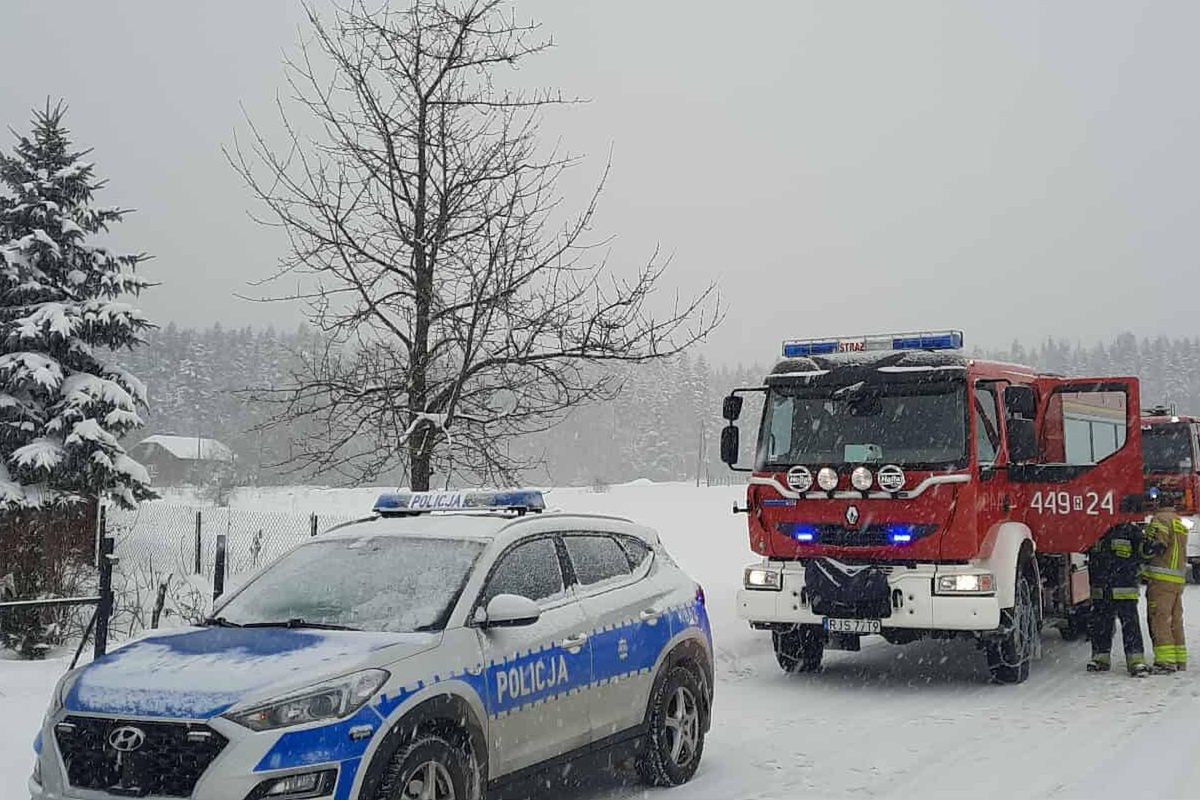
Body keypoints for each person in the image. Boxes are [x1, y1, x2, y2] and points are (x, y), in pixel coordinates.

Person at [1086, 524, 1150, 677]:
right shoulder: (1094, 528)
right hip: (1102, 590)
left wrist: (1149, 547)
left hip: (1124, 589)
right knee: (1101, 624)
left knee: (1130, 625)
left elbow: (1143, 552)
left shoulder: (1130, 530)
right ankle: (1100, 658)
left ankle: (1135, 661)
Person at [1142, 489, 1189, 673]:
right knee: (1175, 620)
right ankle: (1179, 659)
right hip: (1177, 580)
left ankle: (1165, 661)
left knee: (1159, 619)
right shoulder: (1179, 522)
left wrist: (1142, 549)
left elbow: (1156, 546)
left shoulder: (1159, 520)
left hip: (1161, 580)